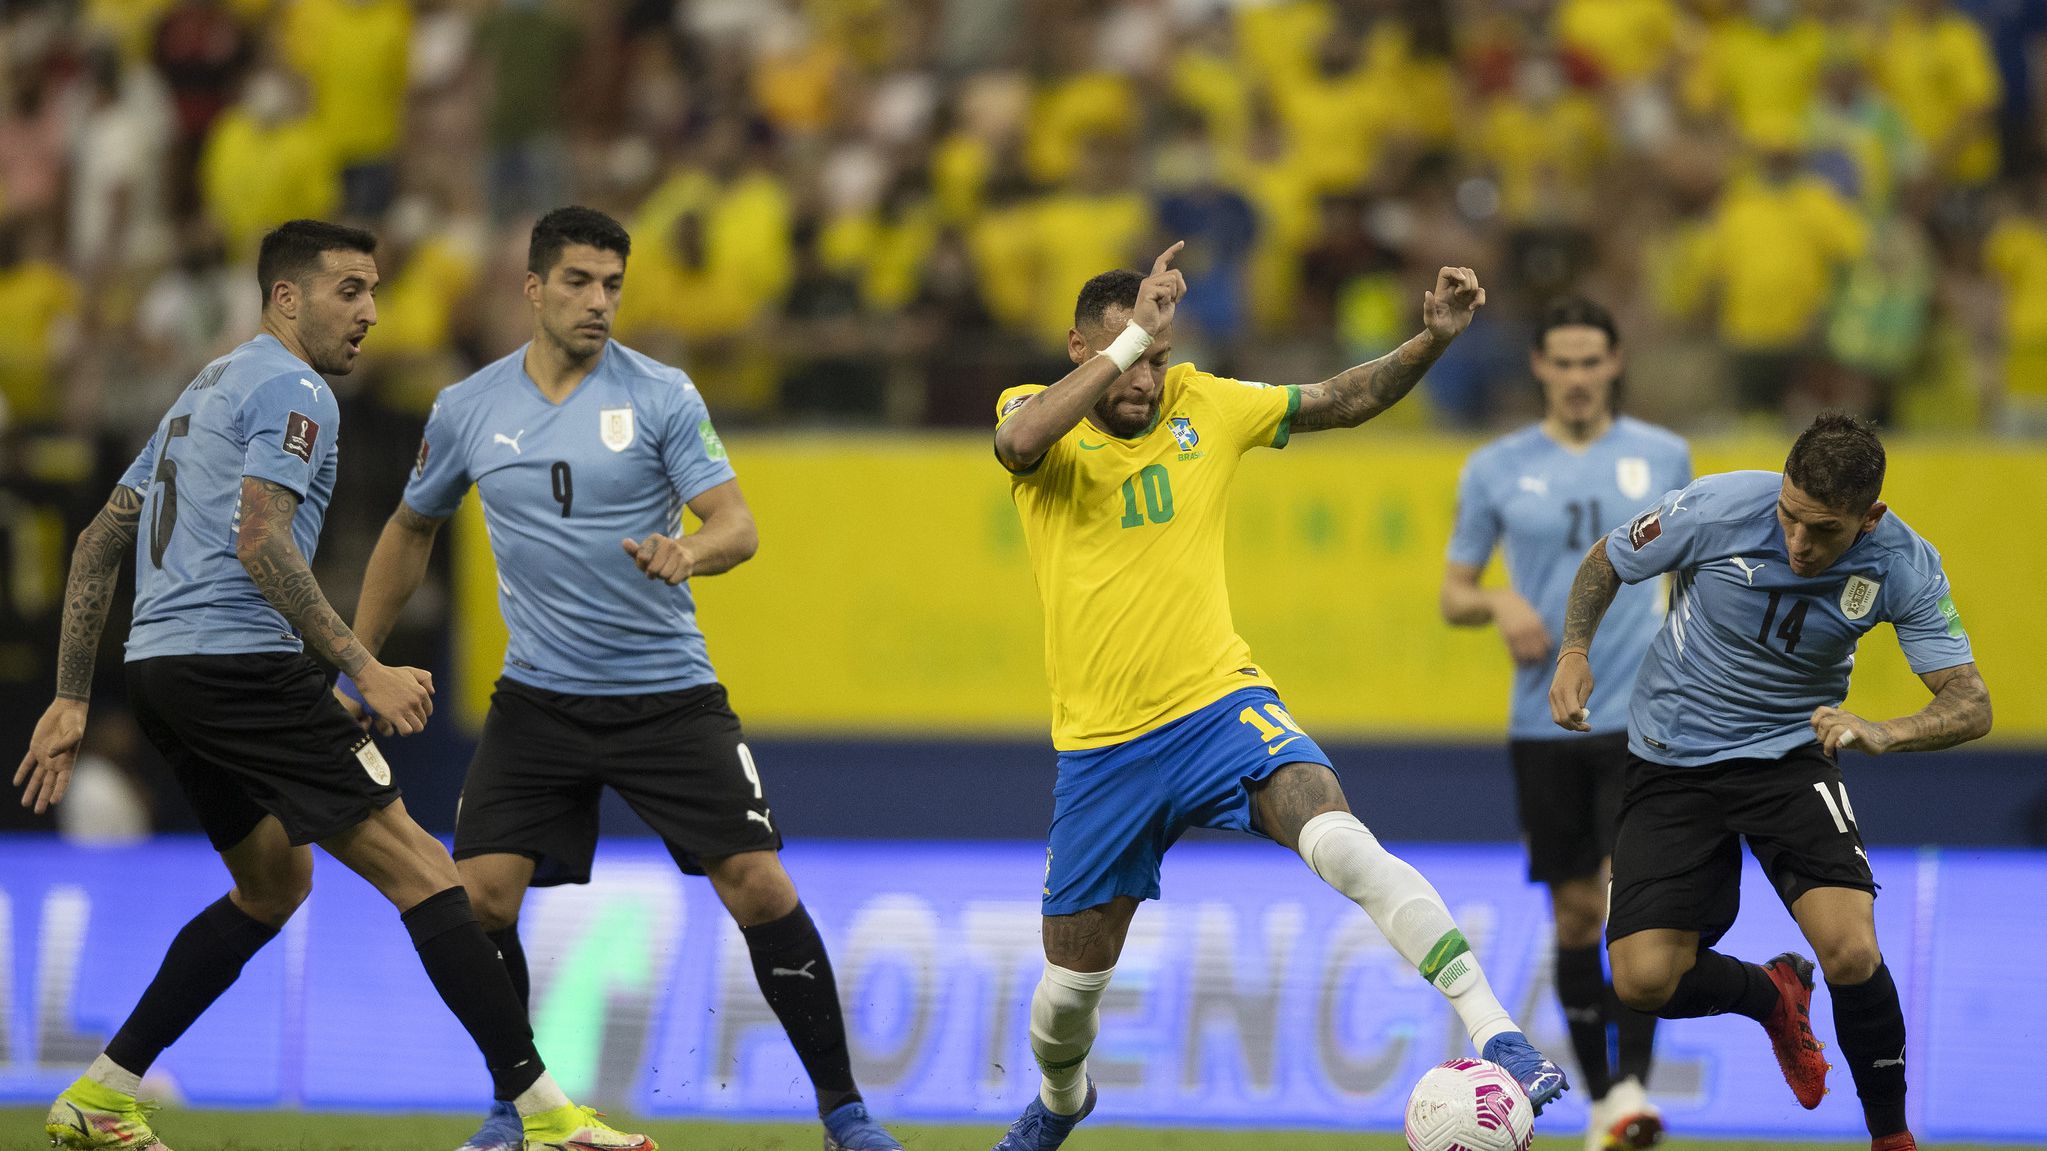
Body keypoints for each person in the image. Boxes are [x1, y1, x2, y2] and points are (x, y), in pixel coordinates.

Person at [13, 219, 651, 1151]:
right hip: (242, 667)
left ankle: (104, 1092)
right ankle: (550, 1117)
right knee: (427, 872)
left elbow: (98, 539)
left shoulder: (203, 390)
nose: (369, 313)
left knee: (273, 883)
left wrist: (73, 695)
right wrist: (365, 665)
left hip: (160, 672)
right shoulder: (294, 388)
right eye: (348, 290)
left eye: (375, 290)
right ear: (286, 298)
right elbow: (260, 538)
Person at [987, 243, 1568, 1151]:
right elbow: (1017, 447)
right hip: (1100, 752)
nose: (1146, 377)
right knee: (1064, 1006)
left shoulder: (1203, 404)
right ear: (1077, 346)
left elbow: (1341, 399)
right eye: (1130, 354)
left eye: (1157, 358)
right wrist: (1136, 328)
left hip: (1218, 707)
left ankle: (1498, 1030)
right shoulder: (1033, 412)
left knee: (1343, 843)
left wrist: (1428, 342)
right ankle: (1063, 1101)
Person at [344, 206, 902, 1151]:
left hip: (666, 695)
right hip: (538, 700)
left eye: (611, 285)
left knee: (759, 885)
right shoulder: (468, 407)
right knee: (476, 900)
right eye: (578, 282)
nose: (598, 301)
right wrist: (358, 661)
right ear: (532, 288)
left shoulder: (661, 395)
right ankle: (515, 1104)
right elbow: (411, 528)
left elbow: (737, 524)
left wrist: (691, 550)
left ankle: (846, 1114)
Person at [1549, 413, 1992, 1151]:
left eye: (1820, 530)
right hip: (1671, 757)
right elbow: (1606, 557)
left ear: (1868, 516)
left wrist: (1886, 730)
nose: (1795, 542)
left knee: (1850, 950)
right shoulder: (1718, 507)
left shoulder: (1902, 562)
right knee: (1641, 980)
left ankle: (1891, 1137)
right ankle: (1769, 993)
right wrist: (1572, 649)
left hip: (1789, 754)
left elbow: (1969, 701)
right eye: (1787, 517)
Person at [1441, 298, 1689, 1151]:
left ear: (1614, 363)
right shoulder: (1496, 467)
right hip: (1544, 724)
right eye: (1563, 363)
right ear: (1539, 369)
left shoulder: (1663, 456)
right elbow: (1453, 590)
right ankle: (1604, 1099)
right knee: (1578, 915)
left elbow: (1688, 577)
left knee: (1638, 910)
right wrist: (1500, 599)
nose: (1578, 378)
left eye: (1593, 361)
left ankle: (1629, 1096)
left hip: (1645, 723)